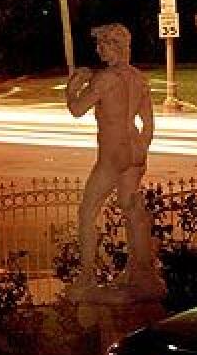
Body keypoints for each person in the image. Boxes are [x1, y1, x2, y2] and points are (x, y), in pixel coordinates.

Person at [65, 23, 162, 297]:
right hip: (134, 150)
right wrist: (140, 146)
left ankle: (86, 278)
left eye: (103, 45)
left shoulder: (104, 79)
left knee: (87, 212)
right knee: (132, 208)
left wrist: (73, 87)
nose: (99, 50)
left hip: (113, 153)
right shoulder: (139, 79)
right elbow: (148, 123)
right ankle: (143, 272)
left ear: (117, 47)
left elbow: (76, 109)